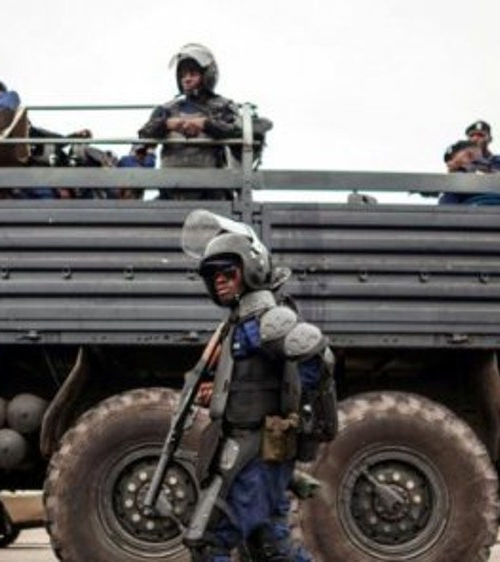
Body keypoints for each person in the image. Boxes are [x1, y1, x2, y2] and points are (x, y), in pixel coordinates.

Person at [178, 210, 337, 562]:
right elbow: (255, 377)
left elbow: (314, 357)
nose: (219, 281)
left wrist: (291, 419)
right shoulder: (242, 321)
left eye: (227, 273)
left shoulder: (263, 318)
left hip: (257, 449)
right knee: (270, 546)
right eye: (212, 275)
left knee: (209, 542)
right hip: (251, 447)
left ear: (250, 269)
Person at [139, 44, 242, 200]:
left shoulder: (223, 106)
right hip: (171, 187)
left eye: (192, 73)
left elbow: (237, 131)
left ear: (206, 75)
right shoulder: (168, 109)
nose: (186, 79)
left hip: (211, 189)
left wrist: (206, 124)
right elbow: (144, 135)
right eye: (183, 75)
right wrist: (167, 125)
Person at [438, 140, 500, 206]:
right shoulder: (459, 181)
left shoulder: (496, 161)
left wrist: (479, 166)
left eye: (468, 156)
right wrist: (451, 181)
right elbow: (447, 208)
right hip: (474, 218)